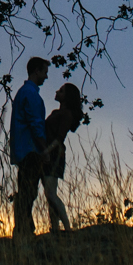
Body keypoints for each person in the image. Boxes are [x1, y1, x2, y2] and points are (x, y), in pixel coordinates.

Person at [9, 56, 51, 237]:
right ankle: (24, 230)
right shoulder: (31, 94)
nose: (46, 77)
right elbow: (36, 125)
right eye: (44, 72)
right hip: (30, 150)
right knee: (28, 192)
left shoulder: (23, 92)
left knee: (26, 191)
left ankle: (24, 228)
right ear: (36, 71)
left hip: (23, 150)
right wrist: (44, 149)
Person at [41, 82, 84, 231]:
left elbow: (60, 137)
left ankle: (66, 227)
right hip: (47, 153)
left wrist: (47, 151)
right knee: (49, 194)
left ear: (67, 97)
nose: (57, 92)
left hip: (54, 155)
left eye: (61, 91)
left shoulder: (67, 114)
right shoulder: (56, 112)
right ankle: (55, 228)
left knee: (50, 192)